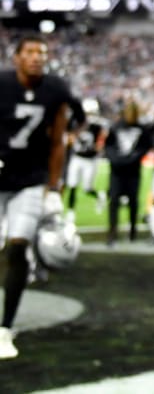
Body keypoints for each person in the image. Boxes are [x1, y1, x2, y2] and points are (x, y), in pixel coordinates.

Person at [0, 35, 74, 360]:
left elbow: (57, 141)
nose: (35, 57)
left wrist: (54, 187)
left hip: (30, 180)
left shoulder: (55, 89)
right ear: (15, 57)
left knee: (18, 246)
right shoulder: (1, 84)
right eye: (29, 52)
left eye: (41, 53)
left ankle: (5, 328)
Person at [104, 98, 154, 244]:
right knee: (114, 201)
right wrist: (116, 159)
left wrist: (132, 158)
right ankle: (112, 233)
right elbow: (108, 146)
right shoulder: (115, 127)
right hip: (117, 172)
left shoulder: (142, 129)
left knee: (133, 202)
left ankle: (133, 232)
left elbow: (145, 147)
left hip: (133, 172)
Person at [64, 97, 107, 226]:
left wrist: (98, 146)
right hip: (77, 157)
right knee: (72, 185)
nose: (89, 116)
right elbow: (69, 135)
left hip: (90, 160)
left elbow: (101, 141)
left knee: (87, 188)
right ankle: (70, 212)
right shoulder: (76, 122)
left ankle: (100, 195)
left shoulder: (98, 125)